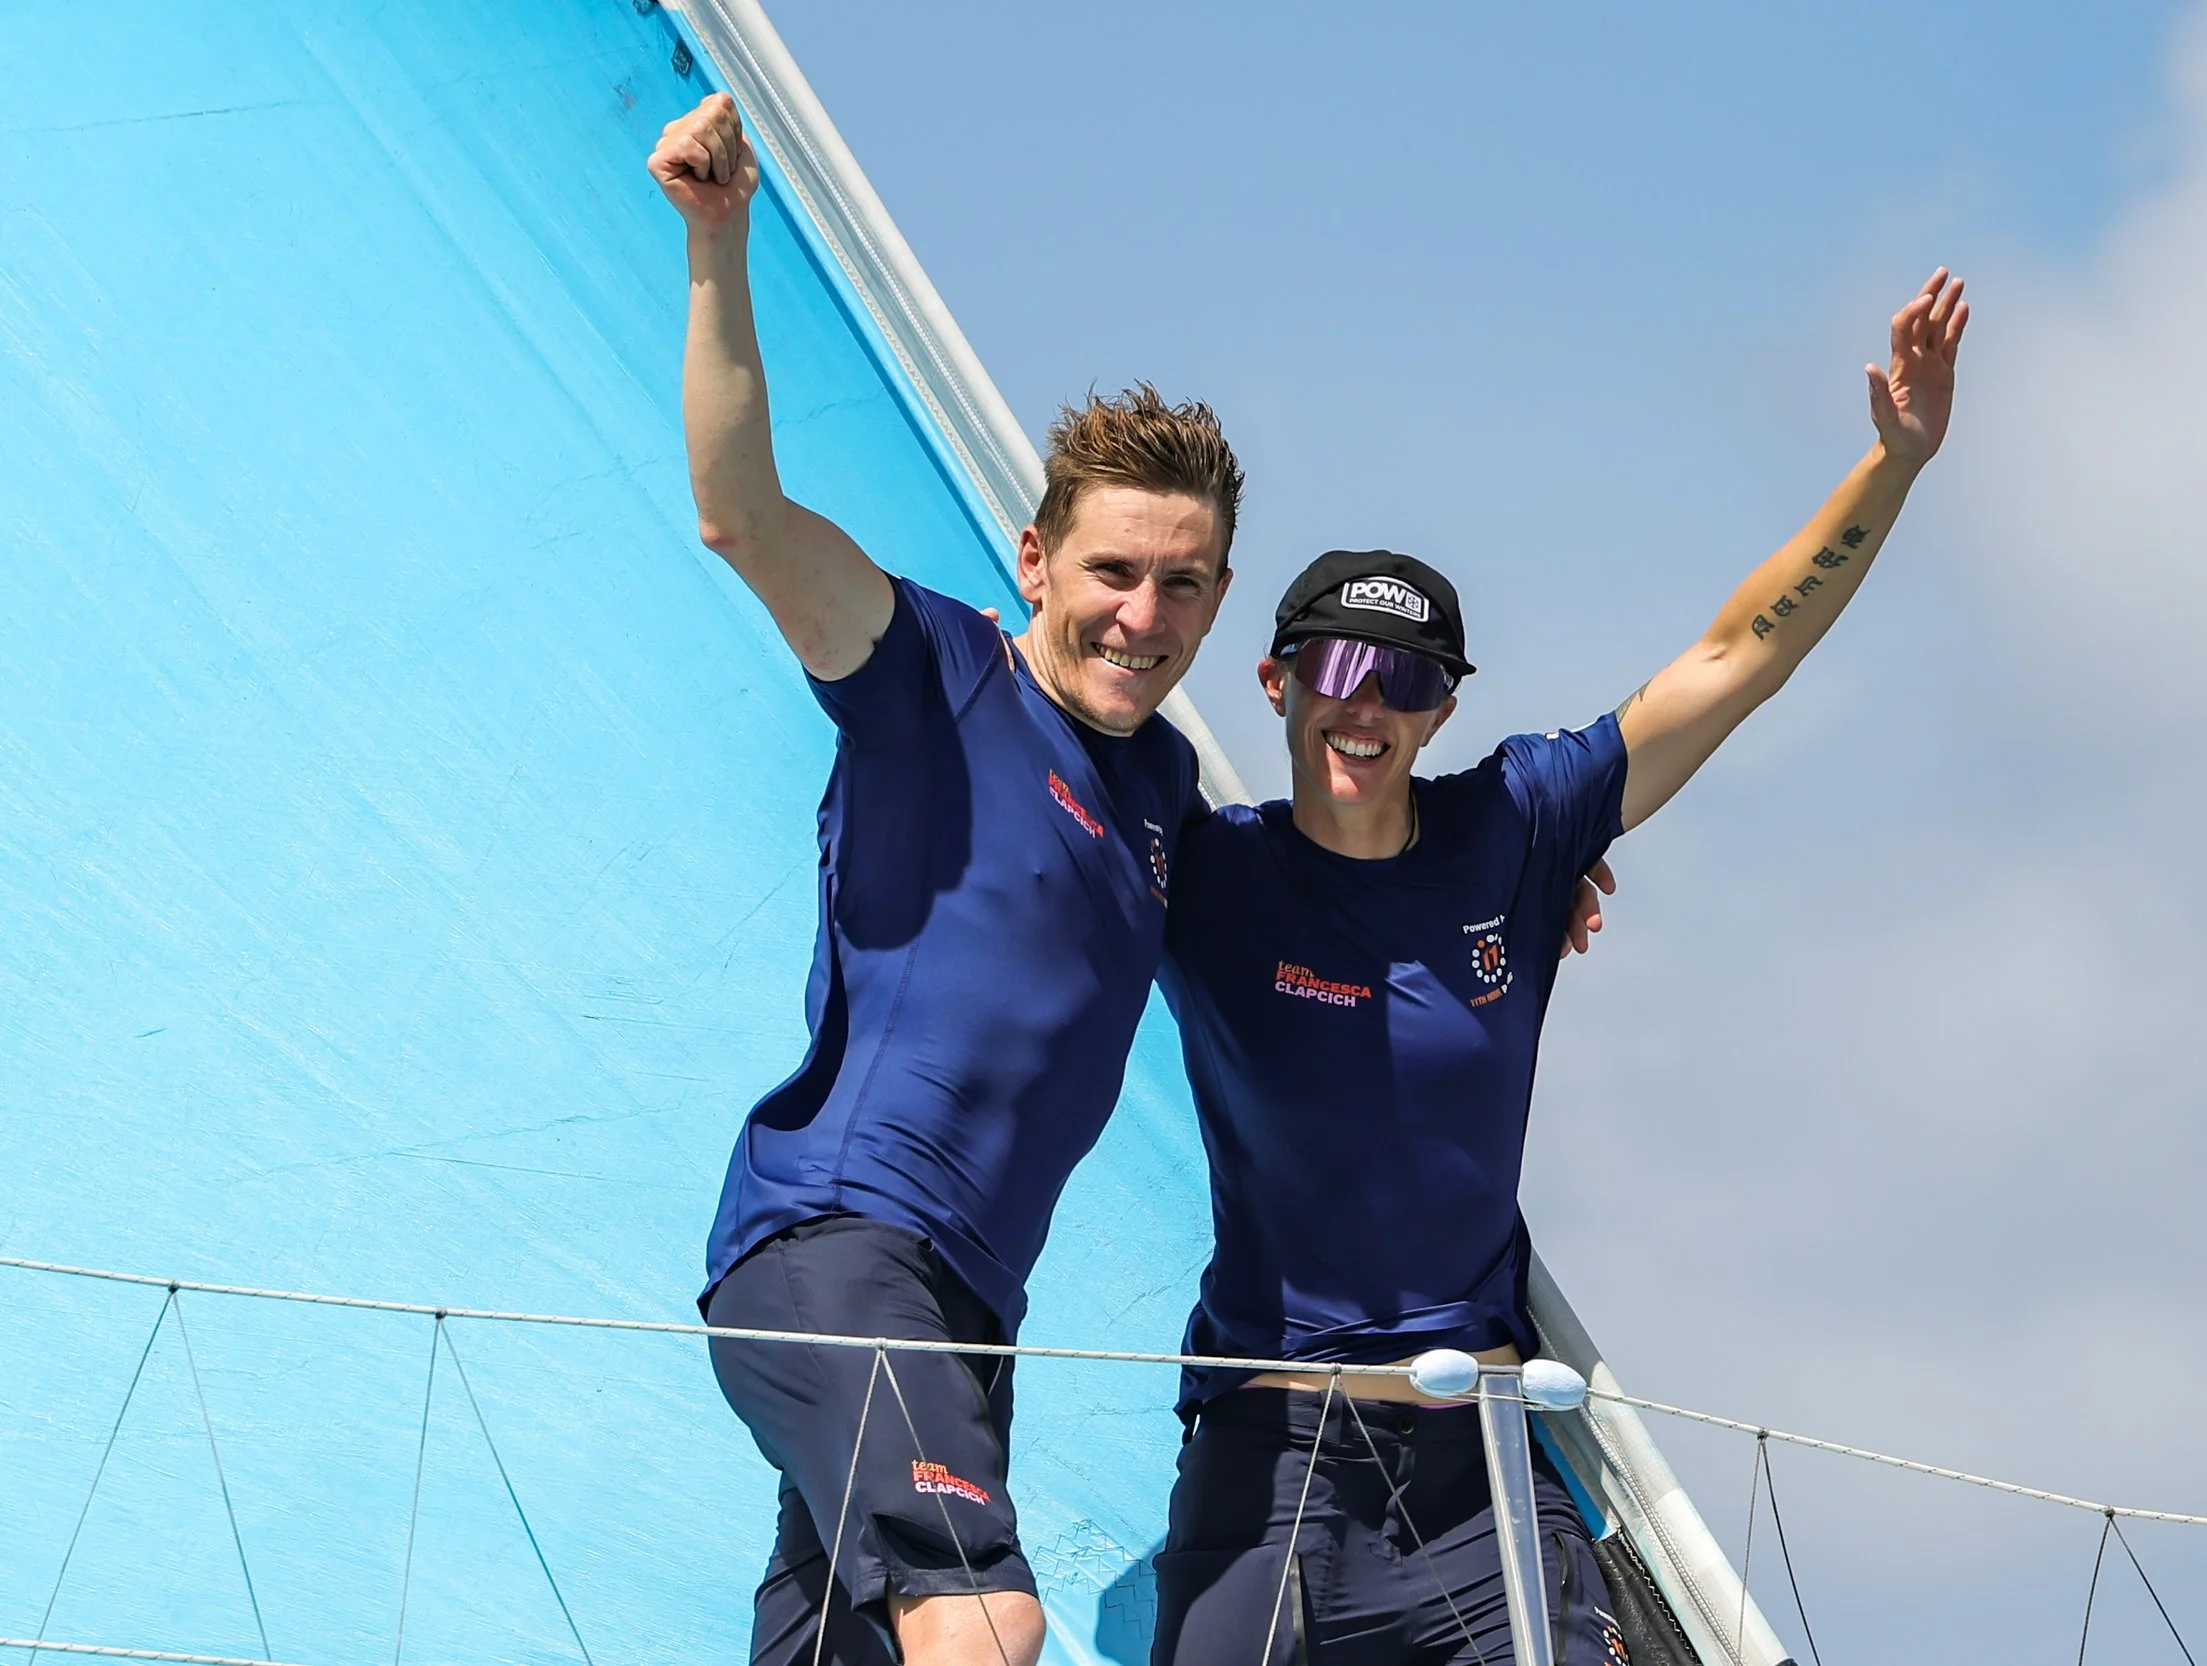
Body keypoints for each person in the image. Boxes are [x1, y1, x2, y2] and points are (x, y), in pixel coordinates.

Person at [1151, 271, 1971, 1666]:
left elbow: (1735, 658)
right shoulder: (1205, 870)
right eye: (1337, 668)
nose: (1368, 705)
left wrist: (1891, 467)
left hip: (1480, 1467)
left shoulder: (1518, 830)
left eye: (1409, 680)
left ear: (1444, 711)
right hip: (1273, 1453)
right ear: (1277, 681)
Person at [646, 94, 1242, 1666]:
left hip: (968, 1315)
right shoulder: (935, 672)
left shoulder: (1167, 796)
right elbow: (742, 516)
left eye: (1181, 583)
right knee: (982, 1618)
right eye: (1112, 570)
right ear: (1037, 561)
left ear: (1217, 599)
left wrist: (1526, 890)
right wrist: (718, 243)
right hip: (838, 1246)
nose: (1142, 614)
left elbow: (1325, 920)